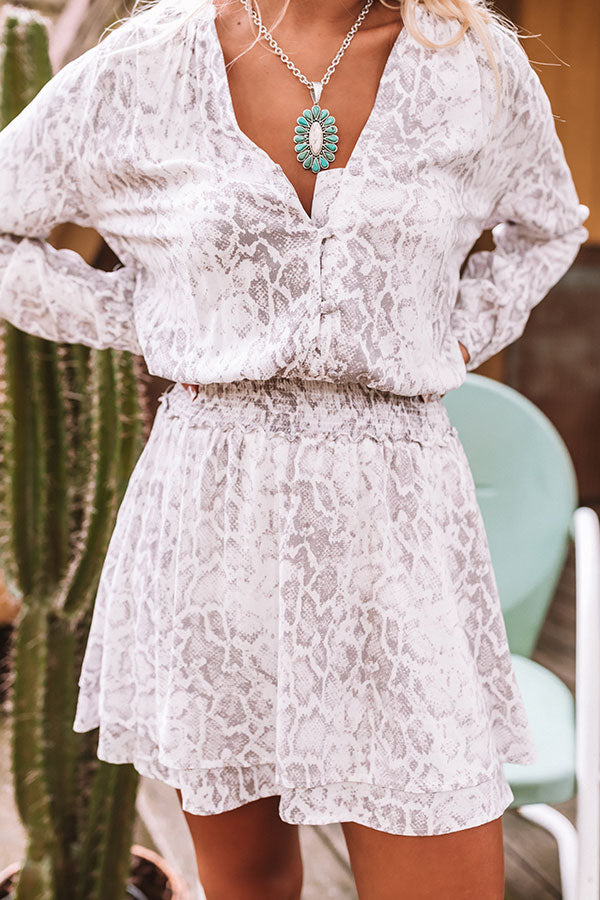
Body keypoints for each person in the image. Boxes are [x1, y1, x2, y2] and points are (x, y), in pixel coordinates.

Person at [0, 0, 589, 896]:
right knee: (251, 886)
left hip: (395, 524)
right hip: (215, 516)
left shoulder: (473, 67)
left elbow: (548, 227)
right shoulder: (151, 63)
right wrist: (153, 321)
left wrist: (459, 329)